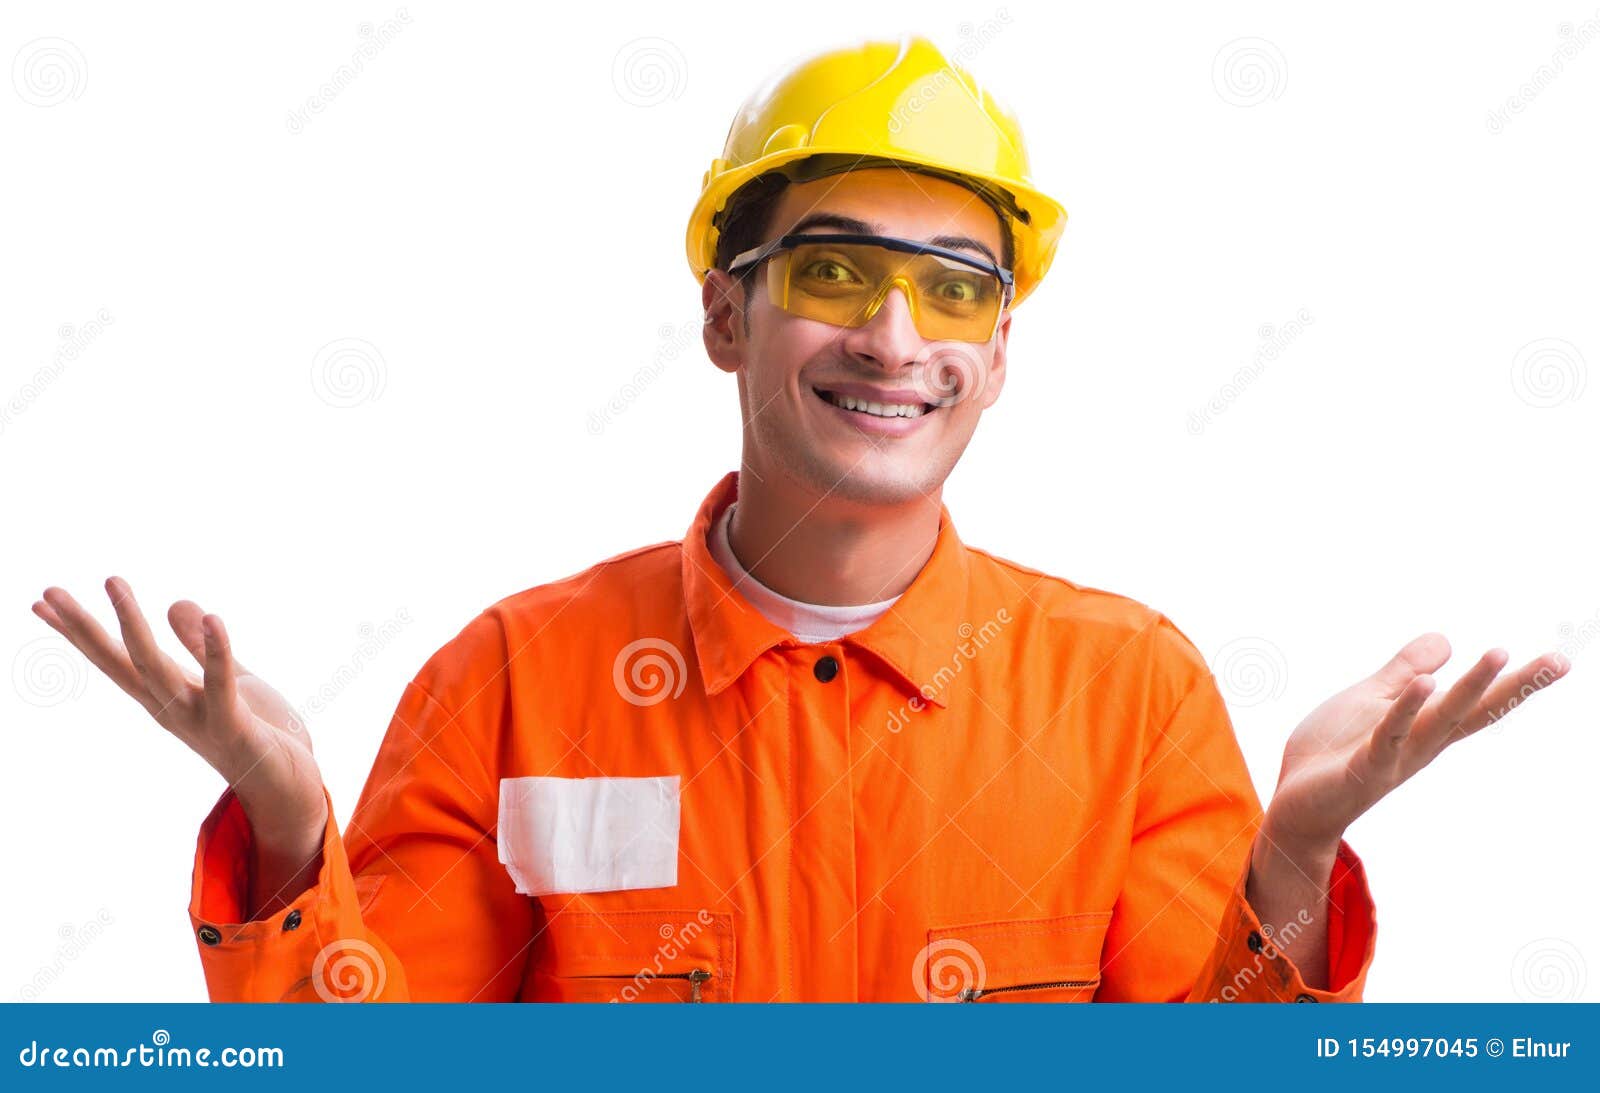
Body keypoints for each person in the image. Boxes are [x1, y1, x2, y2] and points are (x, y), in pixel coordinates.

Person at [34, 35, 1569, 1003]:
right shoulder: (513, 682)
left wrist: (1291, 858)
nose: (895, 338)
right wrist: (291, 833)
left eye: (954, 290)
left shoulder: (1127, 695)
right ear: (725, 314)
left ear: (998, 354)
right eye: (836, 271)